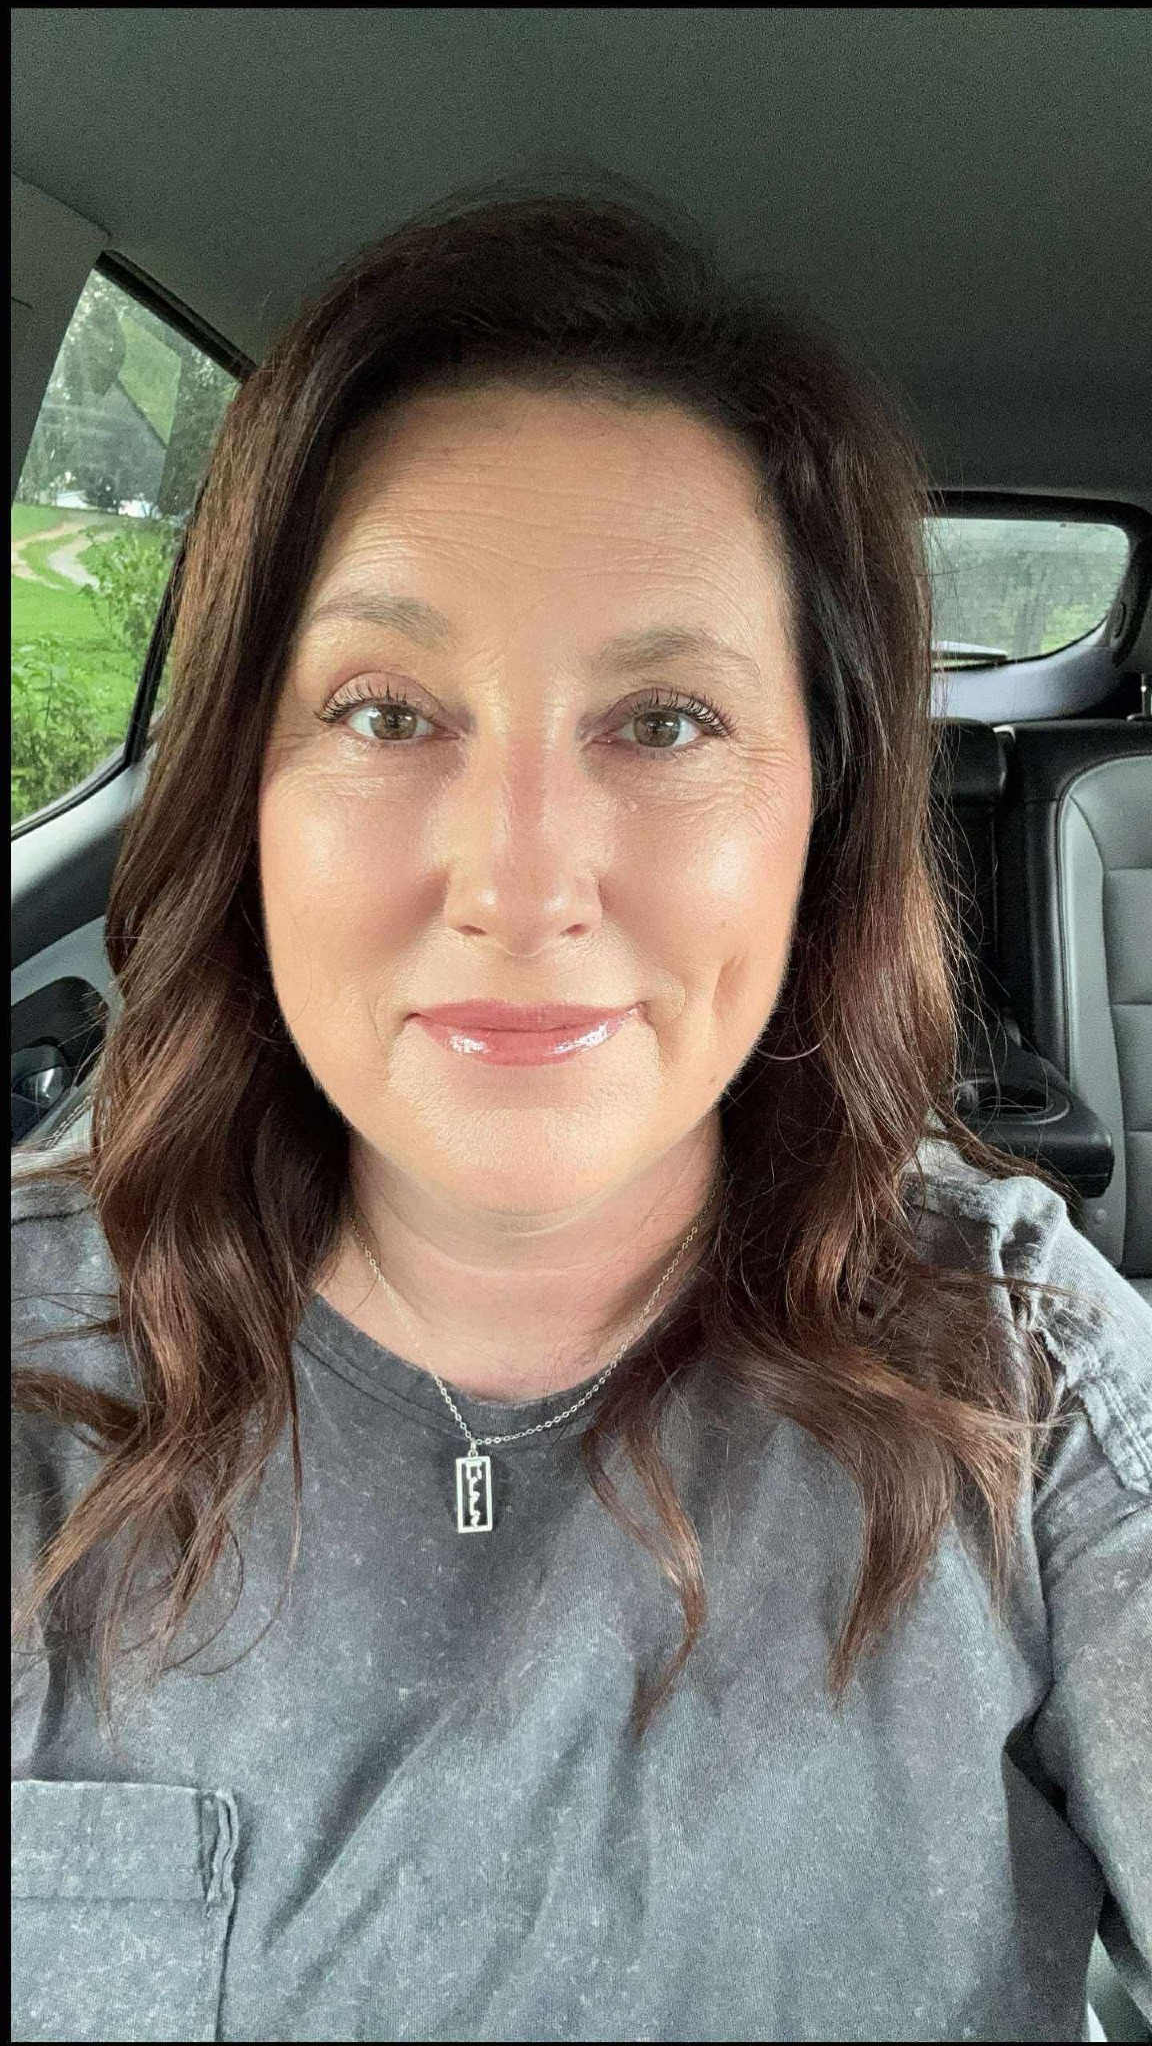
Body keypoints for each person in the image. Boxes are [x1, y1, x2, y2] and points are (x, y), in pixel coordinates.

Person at [12, 173, 1151, 2046]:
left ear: (822, 810)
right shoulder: (33, 1369)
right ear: (243, 790)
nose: (521, 883)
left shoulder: (1038, 1392)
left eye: (666, 721)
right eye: (387, 712)